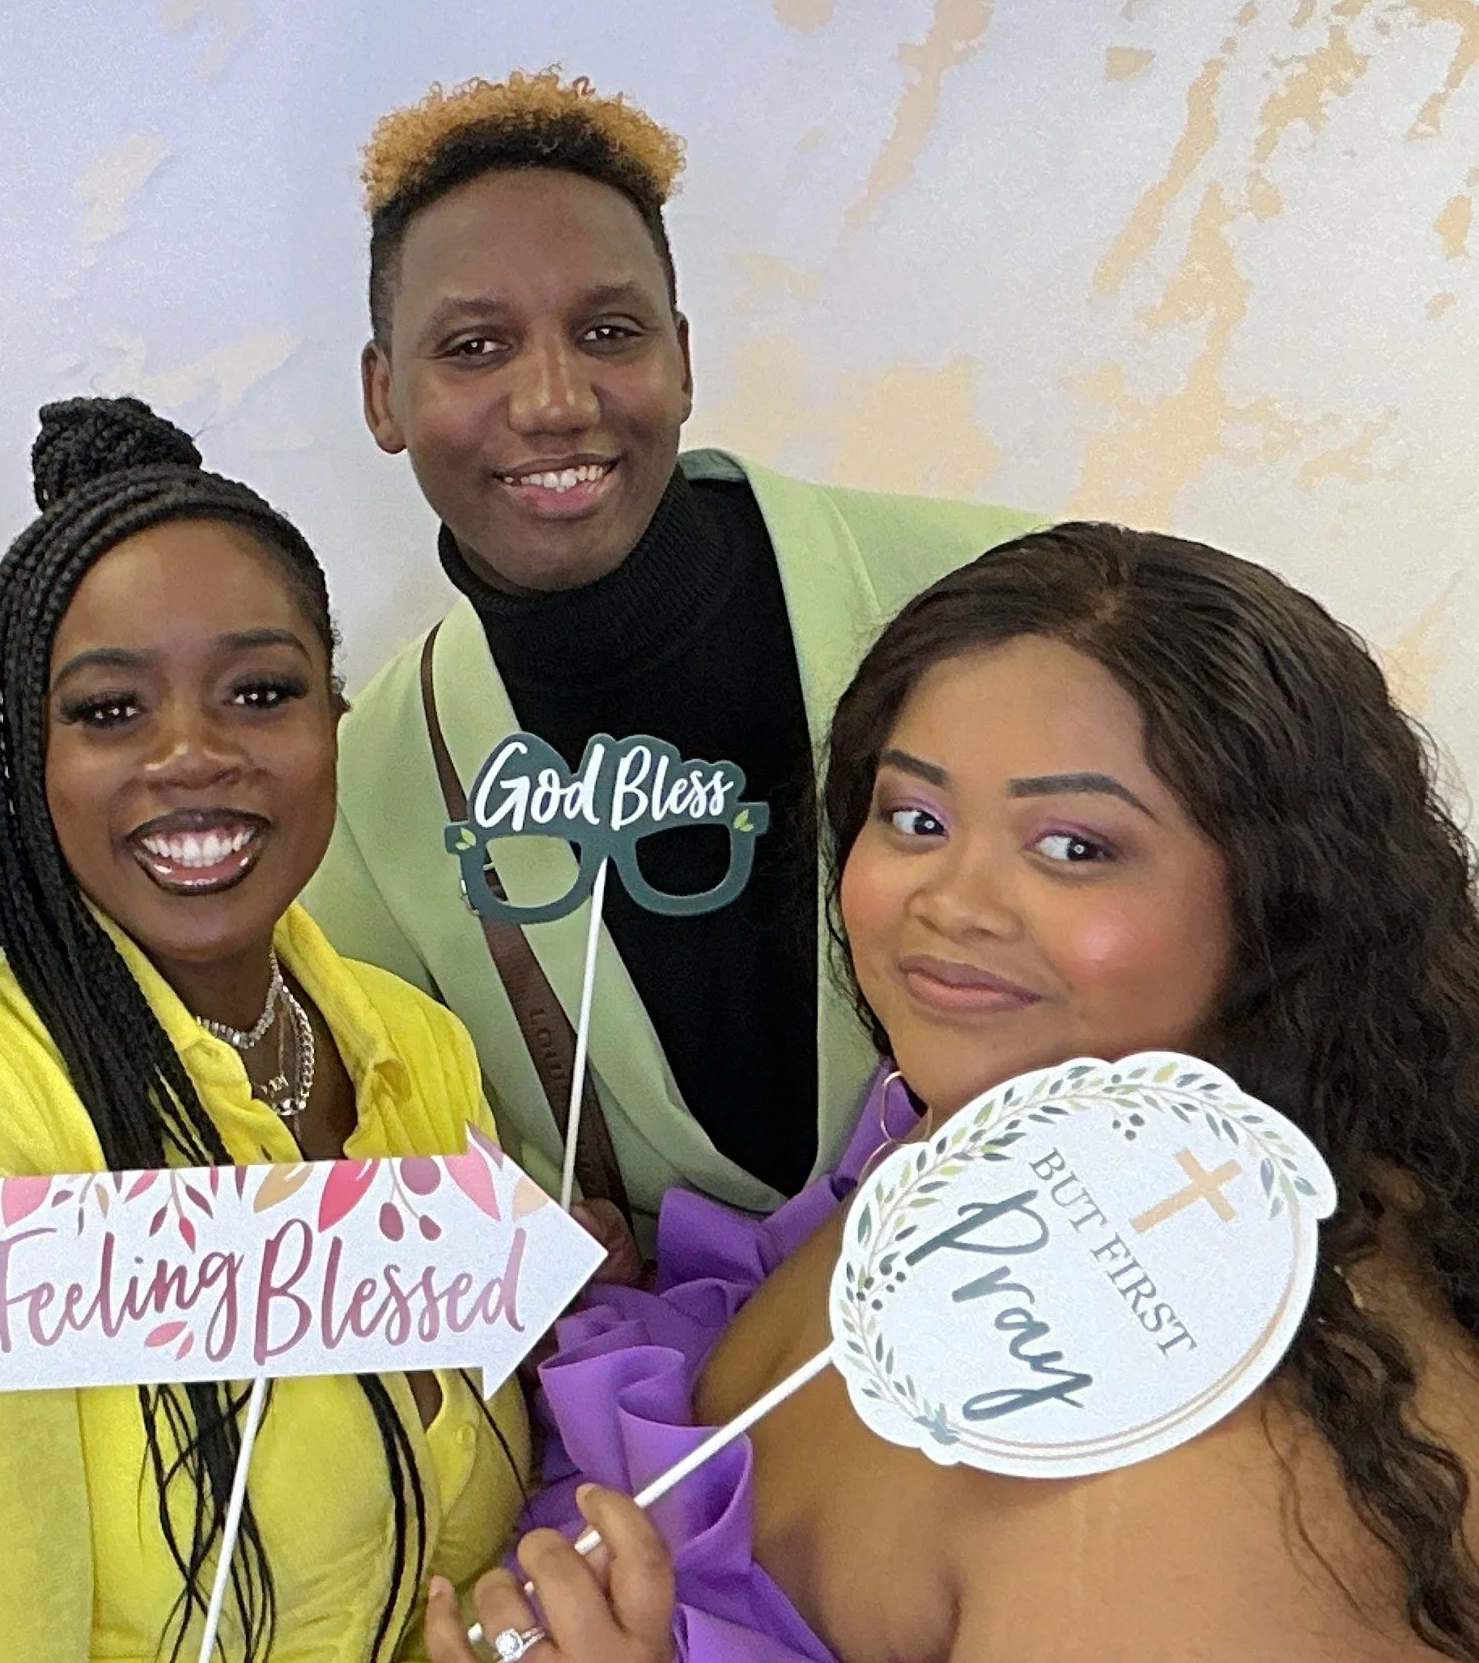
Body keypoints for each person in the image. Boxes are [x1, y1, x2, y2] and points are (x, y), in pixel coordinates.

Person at [426, 522, 1479, 1661]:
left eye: (1075, 846)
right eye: (915, 819)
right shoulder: (967, 1135)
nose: (952, 902)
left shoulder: (1250, 1475)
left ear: (1288, 899)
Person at [0, 398, 532, 1663]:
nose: (194, 756)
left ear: (332, 724)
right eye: (108, 712)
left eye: (260, 692)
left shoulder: (419, 1047)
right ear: (23, 762)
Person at [302, 71, 1035, 1236]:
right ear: (383, 396)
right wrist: (518, 1255)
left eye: (607, 332)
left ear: (681, 359)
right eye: (475, 346)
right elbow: (388, 1176)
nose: (550, 400)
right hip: (695, 1406)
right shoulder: (366, 795)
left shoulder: (1007, 601)